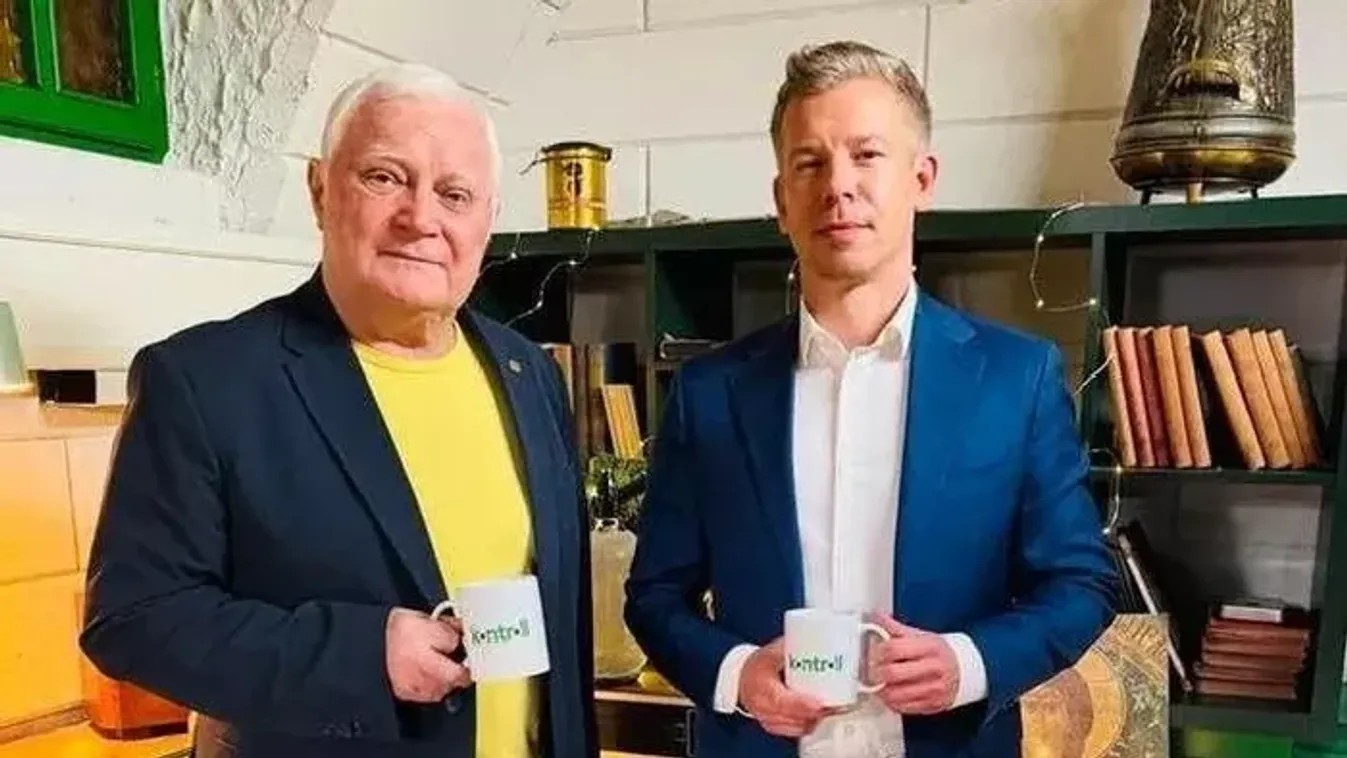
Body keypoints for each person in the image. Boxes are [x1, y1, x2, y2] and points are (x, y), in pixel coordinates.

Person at [79, 63, 597, 758]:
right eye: (384, 178)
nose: (421, 218)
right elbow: (135, 619)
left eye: (454, 194)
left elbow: (562, 627)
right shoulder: (205, 380)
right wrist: (358, 656)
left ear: (488, 220)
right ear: (320, 190)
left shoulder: (528, 372)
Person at [623, 40, 1117, 758]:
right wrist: (735, 675)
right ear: (781, 200)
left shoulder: (1017, 379)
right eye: (809, 163)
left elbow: (1080, 583)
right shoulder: (709, 394)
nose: (838, 186)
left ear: (921, 178)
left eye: (866, 155)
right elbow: (654, 597)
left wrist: (969, 663)